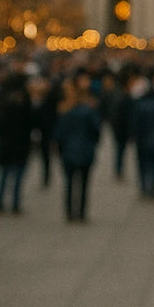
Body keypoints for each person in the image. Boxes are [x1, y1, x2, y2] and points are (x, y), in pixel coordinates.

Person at [53, 79, 102, 222]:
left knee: (69, 184)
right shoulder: (90, 112)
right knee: (84, 184)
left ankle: (69, 212)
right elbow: (96, 131)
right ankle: (81, 213)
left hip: (68, 153)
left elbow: (58, 135)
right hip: (86, 152)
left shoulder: (65, 112)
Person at [0, 73, 34, 214]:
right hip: (20, 144)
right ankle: (15, 203)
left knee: (4, 175)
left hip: (6, 143)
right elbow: (31, 121)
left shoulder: (3, 101)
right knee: (16, 176)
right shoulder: (24, 101)